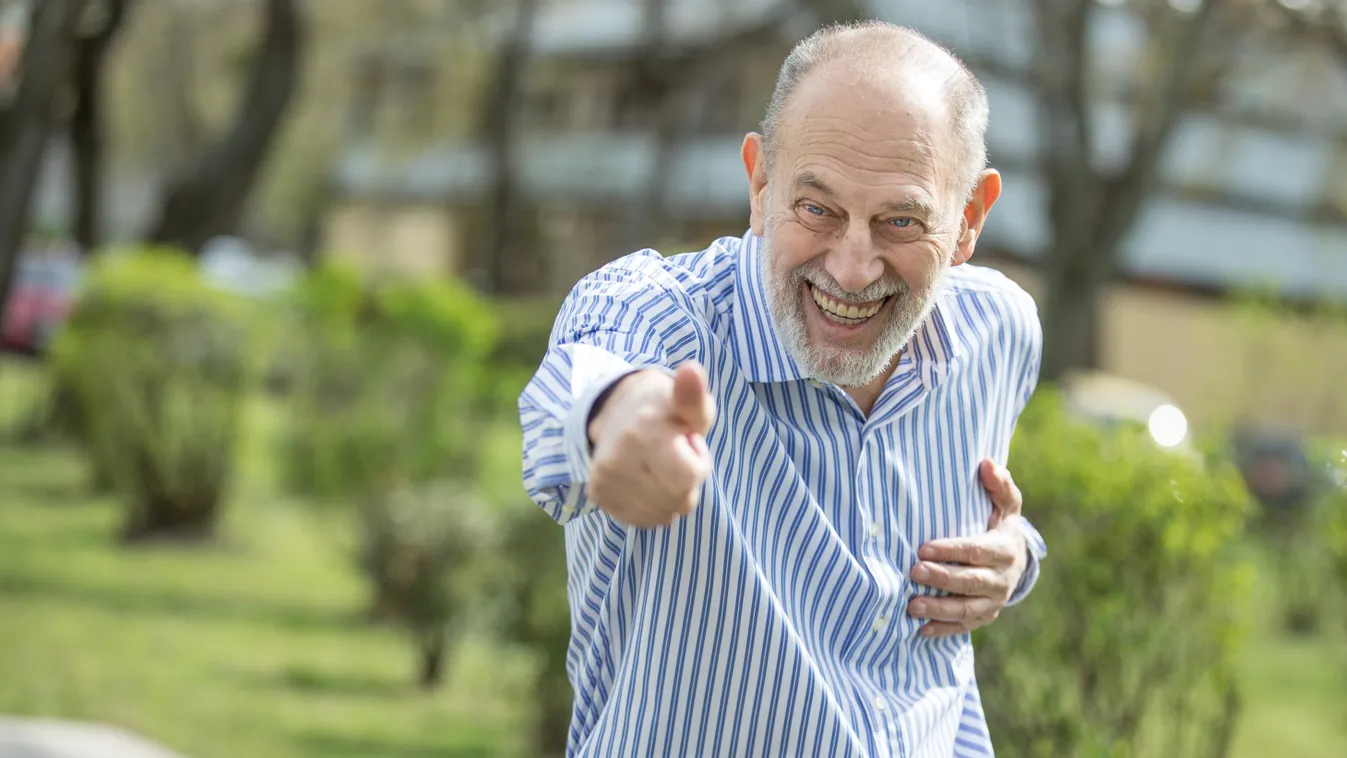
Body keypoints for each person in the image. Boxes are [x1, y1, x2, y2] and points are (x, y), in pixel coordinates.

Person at [519, 20, 1046, 758]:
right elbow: (577, 394)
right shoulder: (659, 316)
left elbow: (987, 526)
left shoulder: (1000, 331)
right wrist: (617, 418)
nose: (853, 268)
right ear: (759, 182)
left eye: (900, 220)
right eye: (817, 209)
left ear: (967, 220)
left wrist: (1014, 559)